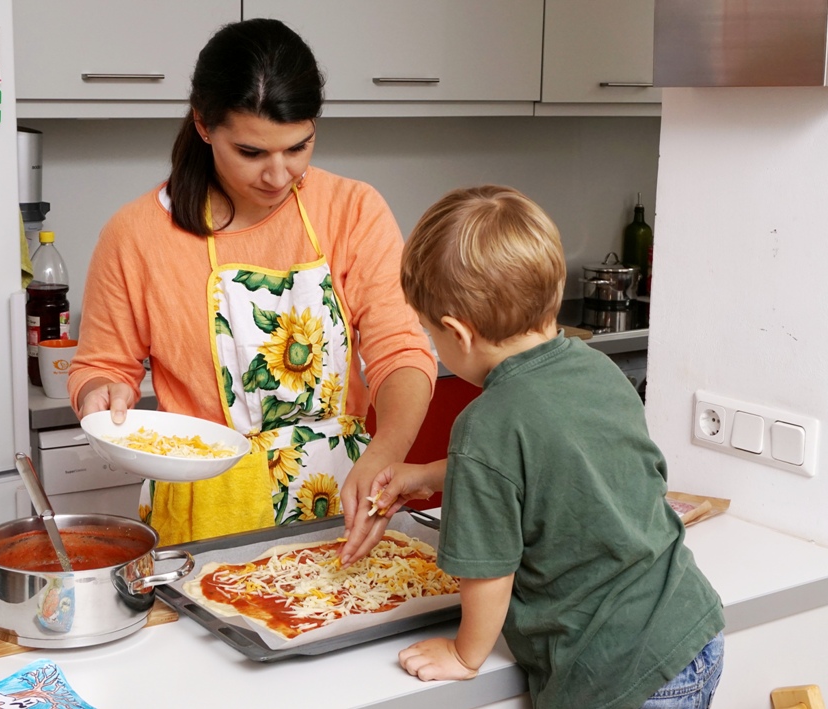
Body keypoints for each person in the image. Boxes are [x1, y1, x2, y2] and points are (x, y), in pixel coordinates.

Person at [347, 185, 725, 708]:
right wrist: (430, 474)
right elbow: (554, 469)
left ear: (458, 333)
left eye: (432, 334)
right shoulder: (597, 367)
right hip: (690, 628)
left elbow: (488, 570)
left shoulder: (486, 422)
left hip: (616, 671)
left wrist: (464, 656)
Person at [68, 18, 435, 546]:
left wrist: (383, 457)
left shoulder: (353, 210)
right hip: (202, 518)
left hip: (340, 502)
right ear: (202, 124)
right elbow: (101, 366)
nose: (279, 175)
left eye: (298, 147)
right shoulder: (136, 234)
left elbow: (400, 351)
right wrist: (100, 394)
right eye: (252, 153)